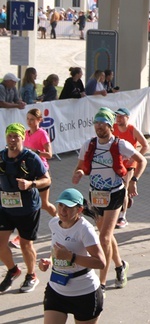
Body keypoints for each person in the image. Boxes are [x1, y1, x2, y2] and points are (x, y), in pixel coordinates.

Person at [72, 107, 147, 292]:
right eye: (96, 123)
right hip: (96, 195)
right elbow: (79, 167)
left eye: (102, 123)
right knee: (107, 236)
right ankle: (120, 265)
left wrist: (133, 181)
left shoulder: (120, 144)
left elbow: (142, 161)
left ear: (109, 125)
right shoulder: (89, 145)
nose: (98, 127)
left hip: (114, 193)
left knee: (104, 237)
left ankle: (102, 283)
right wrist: (79, 173)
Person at [38, 188, 105, 324]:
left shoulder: (85, 229)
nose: (63, 211)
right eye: (61, 205)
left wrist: (71, 257)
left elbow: (100, 262)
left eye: (68, 207)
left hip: (85, 293)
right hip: (56, 290)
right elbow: (58, 251)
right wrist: (49, 261)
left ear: (79, 210)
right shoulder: (53, 224)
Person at [0, 123, 51, 294]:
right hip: (5, 207)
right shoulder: (1, 157)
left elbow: (47, 180)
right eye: (10, 136)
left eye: (16, 136)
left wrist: (31, 184)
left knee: (25, 244)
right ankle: (13, 270)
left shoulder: (30, 158)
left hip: (28, 208)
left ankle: (31, 275)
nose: (13, 140)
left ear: (22, 138)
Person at [112, 107, 149, 229]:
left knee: (124, 189)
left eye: (121, 117)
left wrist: (135, 158)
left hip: (129, 165)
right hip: (116, 164)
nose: (119, 119)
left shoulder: (132, 130)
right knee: (116, 189)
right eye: (117, 116)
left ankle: (122, 217)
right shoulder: (113, 128)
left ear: (127, 117)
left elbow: (145, 146)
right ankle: (124, 201)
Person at [24, 109, 56, 217]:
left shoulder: (42, 134)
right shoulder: (25, 134)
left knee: (44, 204)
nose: (29, 122)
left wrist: (36, 152)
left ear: (39, 120)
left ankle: (60, 220)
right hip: (29, 170)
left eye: (32, 119)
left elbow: (49, 154)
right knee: (27, 203)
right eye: (28, 119)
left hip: (41, 170)